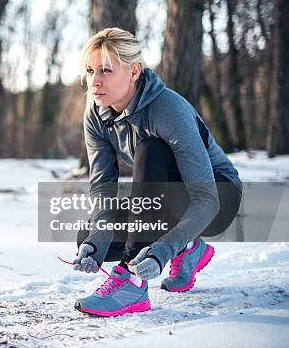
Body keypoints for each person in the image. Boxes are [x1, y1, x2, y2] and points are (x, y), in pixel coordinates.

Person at [72, 28, 243, 317]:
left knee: (151, 149)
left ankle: (131, 282)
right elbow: (103, 186)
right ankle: (188, 249)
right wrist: (97, 239)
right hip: (166, 200)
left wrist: (162, 250)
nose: (95, 81)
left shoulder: (167, 109)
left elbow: (206, 198)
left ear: (134, 71)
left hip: (216, 196)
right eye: (90, 71)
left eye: (106, 71)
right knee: (87, 237)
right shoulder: (96, 112)